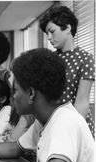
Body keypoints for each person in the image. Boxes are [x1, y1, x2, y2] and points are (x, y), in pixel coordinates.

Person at [0, 48, 94, 162]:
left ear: (30, 93)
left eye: (15, 90)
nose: (12, 97)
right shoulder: (44, 121)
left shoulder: (65, 121)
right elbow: (14, 148)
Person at [39, 5, 95, 137]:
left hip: (76, 126)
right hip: (52, 123)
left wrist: (70, 132)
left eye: (52, 31)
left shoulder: (85, 58)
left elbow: (82, 102)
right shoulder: (49, 59)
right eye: (47, 33)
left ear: (68, 28)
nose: (48, 37)